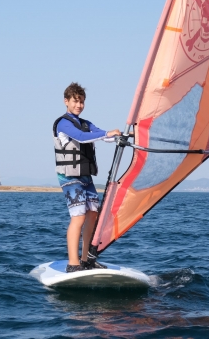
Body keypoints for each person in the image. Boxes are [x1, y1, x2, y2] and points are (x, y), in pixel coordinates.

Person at [53, 82, 121, 273]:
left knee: (93, 214)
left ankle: (86, 260)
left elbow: (100, 134)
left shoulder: (85, 123)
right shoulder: (63, 123)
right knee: (78, 217)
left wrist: (117, 136)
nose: (79, 105)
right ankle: (73, 263)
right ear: (66, 102)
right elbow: (82, 138)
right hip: (70, 178)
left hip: (85, 177)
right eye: (75, 101)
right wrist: (106, 134)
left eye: (82, 102)